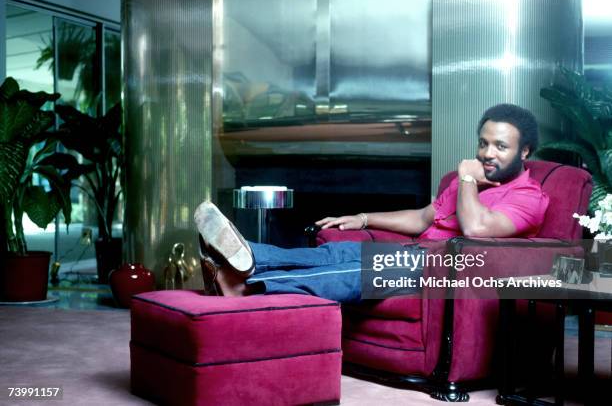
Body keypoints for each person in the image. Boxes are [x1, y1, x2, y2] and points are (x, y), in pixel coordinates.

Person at [194, 103, 550, 302]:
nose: (487, 153)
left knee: (349, 272)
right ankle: (239, 254)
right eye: (483, 143)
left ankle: (244, 286)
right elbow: (423, 217)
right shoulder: (465, 180)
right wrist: (363, 219)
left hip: (444, 269)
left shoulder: (528, 197)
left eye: (500, 146)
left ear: (525, 151)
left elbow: (477, 228)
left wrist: (468, 178)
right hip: (416, 252)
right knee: (332, 253)